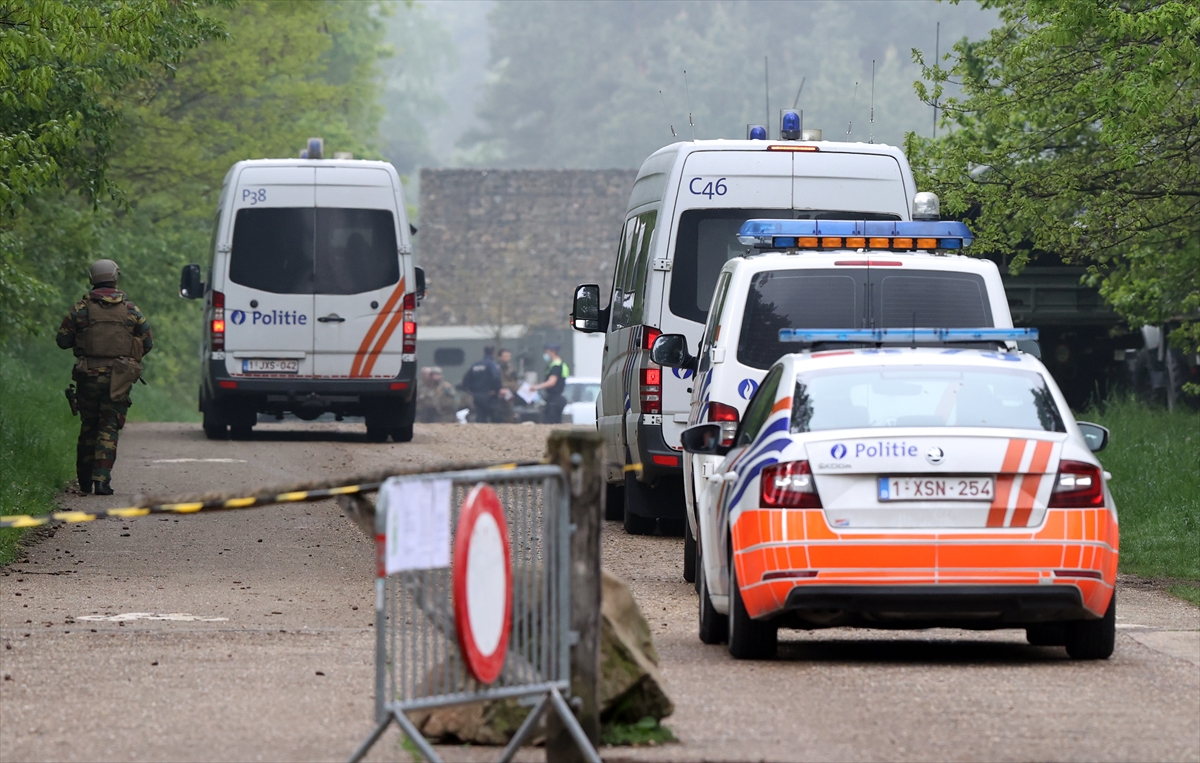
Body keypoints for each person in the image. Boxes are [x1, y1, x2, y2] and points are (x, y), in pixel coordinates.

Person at [57, 259, 152, 496]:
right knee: (109, 426)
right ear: (115, 278)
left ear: (92, 279)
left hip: (87, 375)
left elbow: (62, 341)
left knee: (89, 425)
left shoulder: (80, 309)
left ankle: (84, 482)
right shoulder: (131, 310)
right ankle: (101, 481)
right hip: (118, 378)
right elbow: (147, 342)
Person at [461, 346, 503, 423]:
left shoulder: (476, 365)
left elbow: (465, 380)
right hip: (490, 395)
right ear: (494, 353)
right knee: (495, 418)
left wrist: (471, 391)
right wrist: (497, 390)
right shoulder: (492, 364)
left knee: (480, 417)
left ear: (484, 352)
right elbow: (496, 377)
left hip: (477, 395)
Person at [531, 344, 569, 424]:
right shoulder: (560, 364)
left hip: (554, 399)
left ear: (552, 352)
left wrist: (537, 387)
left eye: (547, 352)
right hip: (556, 398)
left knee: (551, 422)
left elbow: (552, 382)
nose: (546, 355)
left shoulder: (556, 366)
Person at [495, 348, 520, 423]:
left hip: (510, 393)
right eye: (505, 356)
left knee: (510, 411)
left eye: (509, 356)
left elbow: (515, 381)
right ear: (500, 357)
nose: (507, 358)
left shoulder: (511, 368)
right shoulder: (496, 367)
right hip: (498, 393)